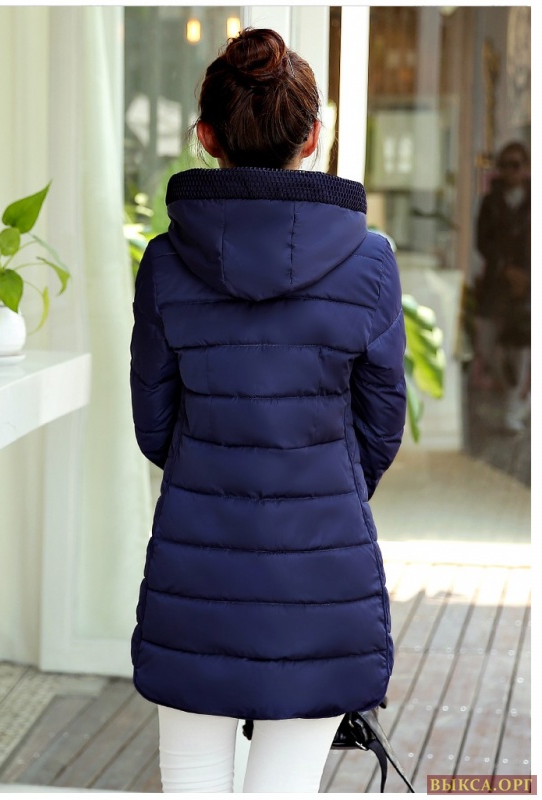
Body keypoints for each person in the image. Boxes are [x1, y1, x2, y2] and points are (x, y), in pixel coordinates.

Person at [129, 28, 407, 793]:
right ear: (311, 137)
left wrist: (211, 472)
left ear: (206, 136)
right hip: (322, 576)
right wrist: (320, 483)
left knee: (191, 784)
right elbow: (380, 424)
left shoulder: (165, 262)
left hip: (195, 569)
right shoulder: (368, 261)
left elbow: (154, 423)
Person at [474, 141, 531, 432]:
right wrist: (505, 269)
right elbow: (482, 241)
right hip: (496, 285)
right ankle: (512, 395)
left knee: (520, 349)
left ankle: (514, 408)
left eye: (516, 165)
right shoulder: (490, 202)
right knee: (486, 344)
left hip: (526, 288)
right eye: (504, 165)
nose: (510, 171)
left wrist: (526, 276)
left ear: (526, 167)